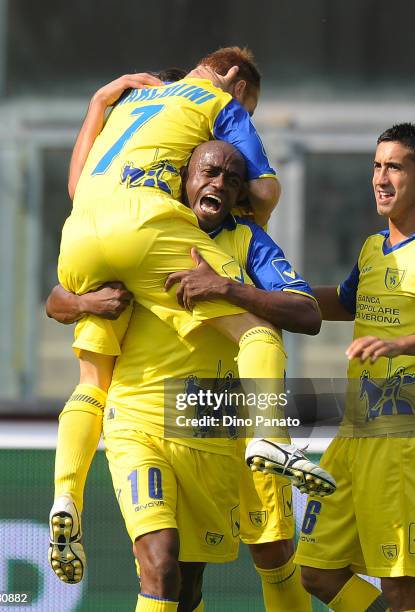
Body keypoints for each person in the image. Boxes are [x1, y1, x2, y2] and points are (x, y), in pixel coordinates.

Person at [56, 45, 336, 502]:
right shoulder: (220, 102)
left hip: (79, 235)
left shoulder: (130, 102)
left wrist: (96, 103)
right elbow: (265, 189)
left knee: (91, 380)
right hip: (144, 231)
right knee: (257, 329)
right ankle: (270, 437)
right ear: (236, 83)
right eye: (251, 111)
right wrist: (245, 226)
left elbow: (75, 187)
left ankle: (65, 498)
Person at [48, 140, 318, 611]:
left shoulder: (247, 240)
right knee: (160, 561)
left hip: (217, 424)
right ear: (184, 178)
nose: (219, 184)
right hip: (141, 418)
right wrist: (85, 303)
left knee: (210, 576)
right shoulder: (143, 229)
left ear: (239, 196)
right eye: (209, 172)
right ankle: (65, 497)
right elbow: (60, 295)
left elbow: (307, 313)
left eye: (233, 180)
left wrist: (226, 287)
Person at [295, 123, 415, 612]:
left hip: (401, 443)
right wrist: (267, 296)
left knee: (400, 587)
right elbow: (345, 300)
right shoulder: (371, 250)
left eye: (396, 167)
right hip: (354, 436)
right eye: (377, 166)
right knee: (317, 571)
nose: (381, 178)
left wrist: (400, 344)